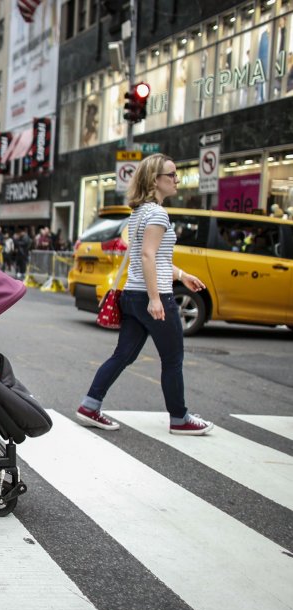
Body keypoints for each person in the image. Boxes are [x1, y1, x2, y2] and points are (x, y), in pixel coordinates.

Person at [76, 154, 213, 436]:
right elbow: (148, 256)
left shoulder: (139, 213)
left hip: (132, 295)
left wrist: (181, 275)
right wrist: (155, 298)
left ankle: (90, 405)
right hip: (153, 295)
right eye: (171, 175)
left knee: (123, 355)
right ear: (154, 180)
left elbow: (154, 258)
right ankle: (180, 419)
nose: (177, 180)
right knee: (172, 359)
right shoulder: (158, 214)